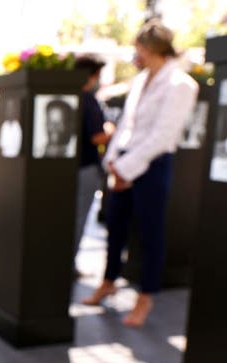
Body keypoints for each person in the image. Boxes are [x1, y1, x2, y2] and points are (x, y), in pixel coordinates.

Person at [82, 19, 198, 327]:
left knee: (150, 233)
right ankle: (108, 282)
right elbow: (125, 127)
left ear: (152, 48)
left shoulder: (181, 84)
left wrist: (126, 168)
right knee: (116, 228)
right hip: (124, 164)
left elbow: (162, 136)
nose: (136, 54)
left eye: (139, 48)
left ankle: (145, 297)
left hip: (153, 166)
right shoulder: (141, 80)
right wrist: (113, 163)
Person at [73, 56, 111, 269]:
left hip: (74, 168)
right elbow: (97, 136)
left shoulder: (73, 97)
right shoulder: (88, 99)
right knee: (78, 218)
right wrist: (111, 131)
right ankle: (67, 264)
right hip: (86, 167)